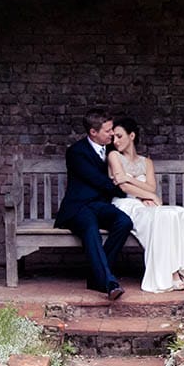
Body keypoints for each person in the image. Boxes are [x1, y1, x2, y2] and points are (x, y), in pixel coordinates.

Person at [107, 117, 184, 293]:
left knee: (178, 213)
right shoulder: (113, 156)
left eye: (119, 136)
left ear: (131, 136)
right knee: (161, 215)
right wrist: (150, 196)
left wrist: (134, 182)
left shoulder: (146, 162)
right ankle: (170, 275)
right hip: (126, 204)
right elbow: (123, 187)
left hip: (145, 202)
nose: (115, 141)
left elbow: (151, 186)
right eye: (113, 137)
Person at [55, 109, 134, 300]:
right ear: (93, 132)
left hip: (99, 206)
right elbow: (98, 180)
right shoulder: (76, 152)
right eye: (107, 131)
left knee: (124, 222)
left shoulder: (112, 151)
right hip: (78, 207)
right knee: (90, 229)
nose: (112, 134)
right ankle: (109, 283)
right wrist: (123, 189)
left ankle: (95, 276)